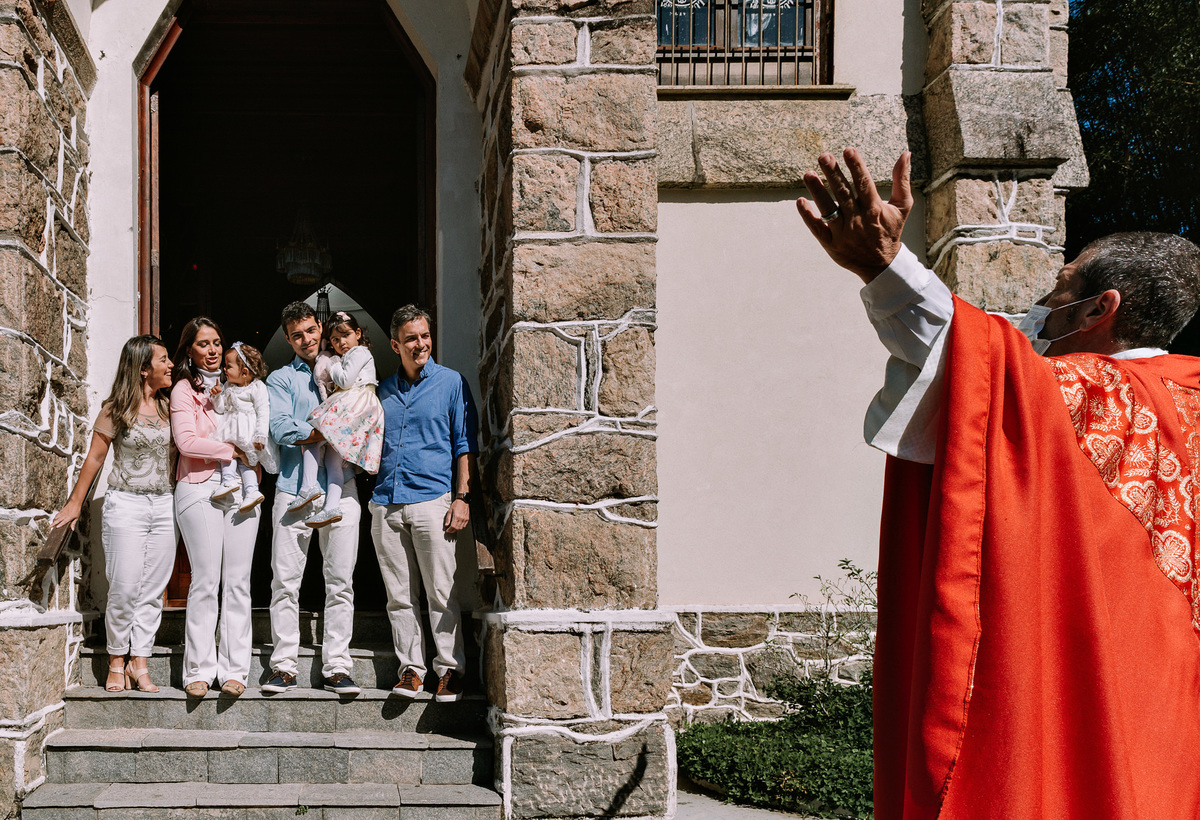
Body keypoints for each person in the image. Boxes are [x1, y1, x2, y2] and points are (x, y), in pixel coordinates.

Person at [798, 148, 1200, 819]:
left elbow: (968, 352)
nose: (1043, 305)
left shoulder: (1091, 396)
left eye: (1060, 288)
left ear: (1102, 307)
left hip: (1086, 710)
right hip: (1173, 713)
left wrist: (884, 265)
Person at [52, 335, 175, 693]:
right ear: (142, 369)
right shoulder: (115, 409)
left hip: (165, 504)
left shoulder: (170, 407)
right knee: (123, 587)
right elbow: (95, 458)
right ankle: (116, 659)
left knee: (153, 590)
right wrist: (76, 502)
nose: (170, 366)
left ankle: (140, 661)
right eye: (163, 360)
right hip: (126, 504)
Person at [370, 305, 478, 702]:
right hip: (385, 502)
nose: (421, 344)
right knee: (399, 596)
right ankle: (411, 671)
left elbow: (464, 446)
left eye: (425, 336)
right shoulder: (381, 391)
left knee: (441, 591)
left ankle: (449, 671)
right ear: (396, 344)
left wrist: (462, 498)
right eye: (411, 338)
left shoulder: (451, 383)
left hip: (434, 499)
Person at [263, 301, 362, 695]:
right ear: (288, 339)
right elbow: (281, 428)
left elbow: (365, 412)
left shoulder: (343, 367)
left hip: (344, 489)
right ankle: (284, 665)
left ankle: (337, 665)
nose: (306, 339)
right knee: (285, 582)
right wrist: (333, 430)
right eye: (297, 335)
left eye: (310, 330)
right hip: (292, 491)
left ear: (319, 328)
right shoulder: (281, 380)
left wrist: (339, 429)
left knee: (340, 581)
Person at [170, 317, 263, 698]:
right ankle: (198, 668)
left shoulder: (242, 386)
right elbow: (187, 442)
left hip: (242, 488)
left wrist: (251, 453)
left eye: (216, 343)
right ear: (189, 351)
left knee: (239, 582)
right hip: (199, 488)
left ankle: (235, 669)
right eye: (203, 344)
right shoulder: (183, 391)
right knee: (206, 579)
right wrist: (233, 451)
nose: (211, 351)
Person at [299, 311, 384, 529]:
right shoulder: (351, 354)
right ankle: (331, 506)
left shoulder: (359, 351)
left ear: (357, 333)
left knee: (314, 437)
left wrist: (330, 361)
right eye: (335, 340)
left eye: (345, 335)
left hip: (355, 403)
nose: (341, 342)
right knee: (332, 459)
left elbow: (345, 380)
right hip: (353, 403)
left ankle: (309, 486)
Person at [211, 341, 278, 512]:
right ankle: (228, 480)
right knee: (228, 454)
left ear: (245, 372)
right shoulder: (228, 386)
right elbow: (220, 409)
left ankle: (252, 491)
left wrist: (260, 435)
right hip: (230, 427)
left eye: (228, 366)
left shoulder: (257, 387)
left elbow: (263, 412)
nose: (224, 369)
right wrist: (217, 397)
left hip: (248, 431)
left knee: (247, 462)